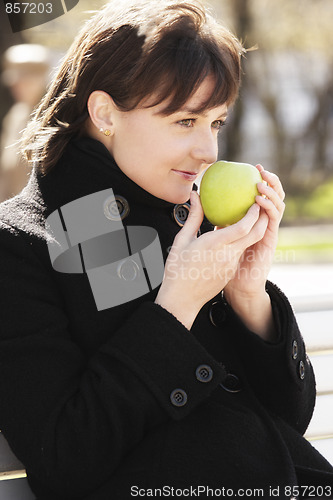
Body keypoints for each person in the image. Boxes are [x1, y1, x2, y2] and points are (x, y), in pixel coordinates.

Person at [0, 0, 332, 498]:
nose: (209, 152)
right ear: (105, 113)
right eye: (185, 122)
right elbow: (64, 455)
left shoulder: (190, 223)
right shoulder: (20, 242)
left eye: (216, 123)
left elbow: (287, 419)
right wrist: (176, 305)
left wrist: (249, 296)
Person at [0, 44, 50, 201]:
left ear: (40, 79)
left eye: (25, 80)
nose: (17, 86)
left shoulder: (53, 117)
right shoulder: (16, 114)